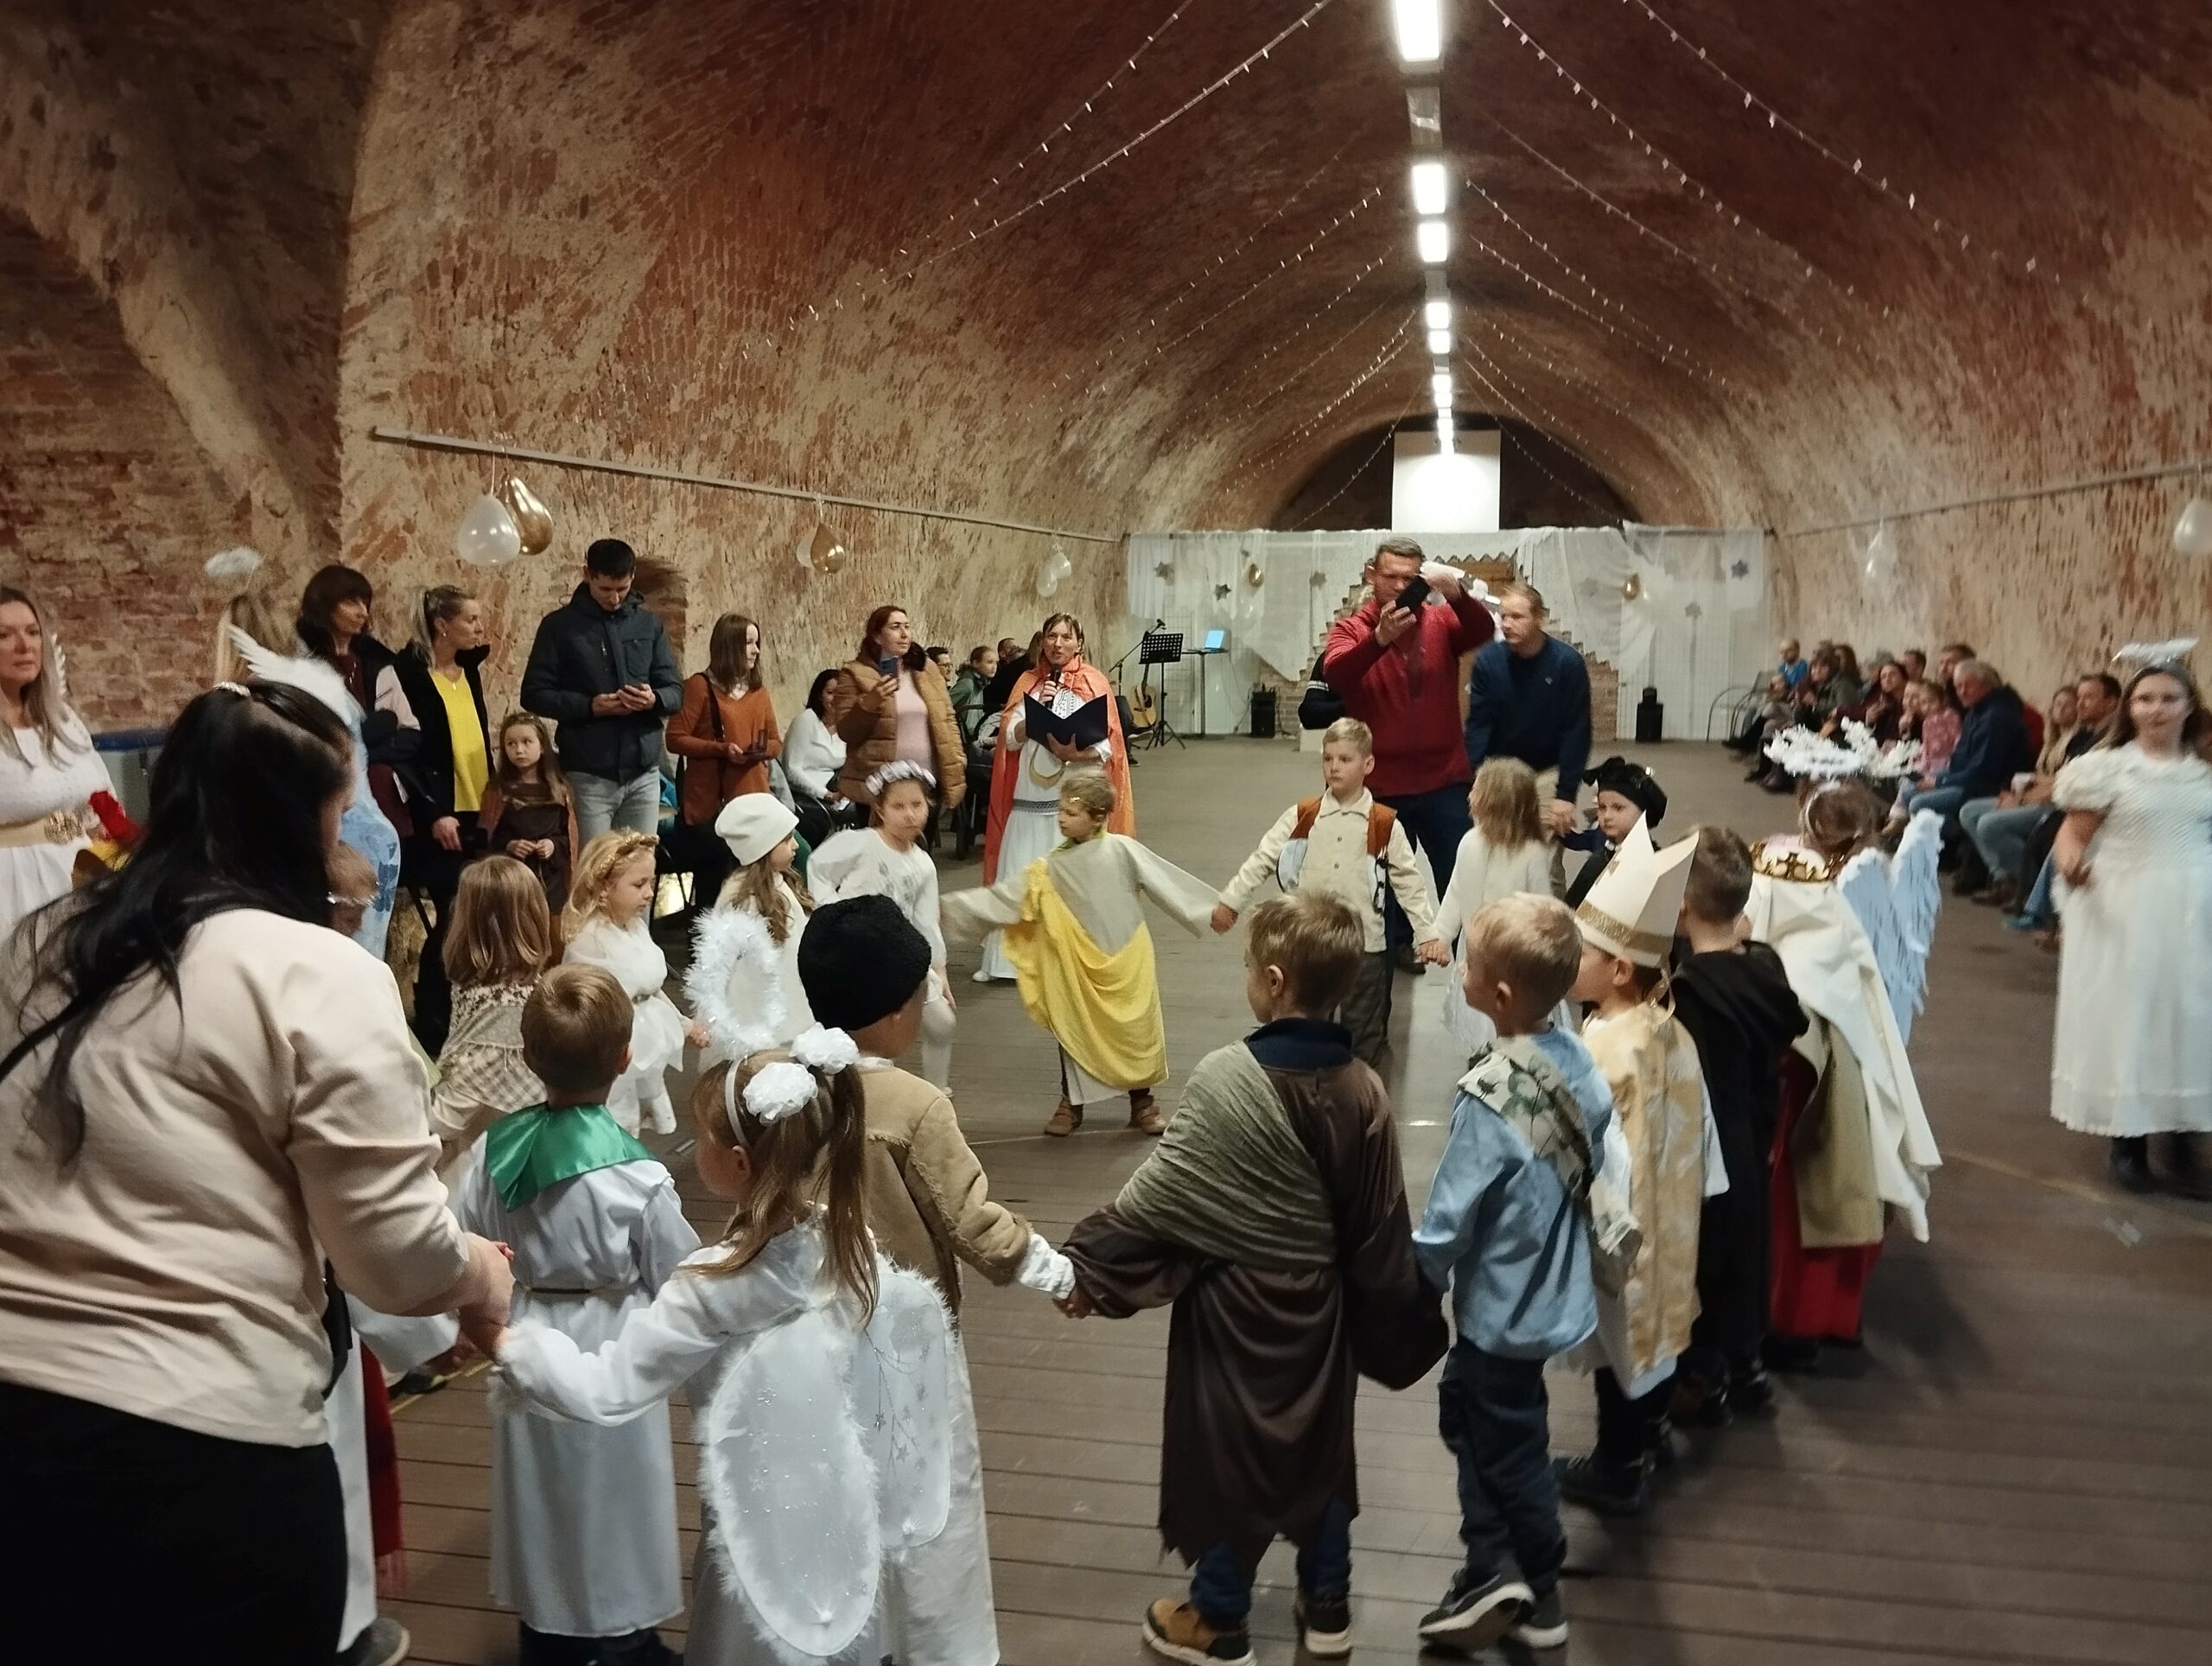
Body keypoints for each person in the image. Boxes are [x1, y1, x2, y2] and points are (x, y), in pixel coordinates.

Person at [0, 680, 513, 1663]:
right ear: (307, 818)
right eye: (342, 810)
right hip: (199, 1448)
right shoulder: (316, 971)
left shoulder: (44, 940)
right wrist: (481, 1273)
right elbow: (394, 1259)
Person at [490, 1044, 1000, 1666]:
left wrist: (510, 1341)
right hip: (845, 1529)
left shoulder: (711, 1287)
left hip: (755, 1533)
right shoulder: (854, 1249)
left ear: (735, 1162)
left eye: (702, 1135)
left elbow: (607, 1390)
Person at [1062, 893, 1447, 1666]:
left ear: (1274, 981)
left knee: (1228, 1454)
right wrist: (1397, 1317)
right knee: (1323, 1447)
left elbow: (1161, 1203)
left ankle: (1219, 1616)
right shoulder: (1364, 1089)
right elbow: (1379, 1233)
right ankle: (1327, 1604)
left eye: (1247, 967)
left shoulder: (1225, 1079)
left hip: (1232, 1309)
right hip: (1323, 1311)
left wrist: (1088, 1267)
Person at [456, 965, 696, 1666]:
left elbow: (458, 1242)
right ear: (624, 1059)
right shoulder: (638, 1177)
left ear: (530, 1056)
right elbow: (682, 1277)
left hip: (525, 1332)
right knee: (617, 1493)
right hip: (615, 1339)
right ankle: (622, 1640)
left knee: (544, 1493)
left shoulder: (492, 1152)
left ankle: (549, 1631)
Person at [1413, 895, 1615, 1656]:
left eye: (1469, 962)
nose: (1460, 969)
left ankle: (1521, 1578)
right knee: (1485, 1423)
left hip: (1498, 1307)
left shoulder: (1490, 1096)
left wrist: (1417, 1276)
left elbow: (1450, 1216)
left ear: (1498, 996)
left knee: (1505, 1442)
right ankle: (1499, 1566)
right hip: (1553, 1289)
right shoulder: (1579, 1061)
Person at [794, 896, 1072, 1314]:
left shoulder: (784, 1086)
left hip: (805, 1297)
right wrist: (1062, 1276)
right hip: (896, 1308)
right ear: (898, 1011)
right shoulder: (916, 1105)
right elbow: (968, 1218)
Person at [1748, 779, 1941, 1370]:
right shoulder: (1843, 912)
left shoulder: (1790, 919)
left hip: (1807, 1093)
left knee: (1800, 1210)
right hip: (1856, 1076)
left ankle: (1794, 1329)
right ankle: (1839, 1320)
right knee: (1850, 1195)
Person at [1555, 819, 1716, 1517]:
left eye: (1581, 952)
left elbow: (1584, 1145)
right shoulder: (1669, 1028)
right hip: (1672, 1218)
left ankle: (1619, 1467)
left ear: (1620, 968)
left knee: (1616, 1342)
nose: (1567, 962)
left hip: (1621, 1222)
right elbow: (1703, 1135)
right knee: (1656, 1331)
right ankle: (1651, 1434)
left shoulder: (1604, 1049)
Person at [944, 771, 1215, 1136]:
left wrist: (1210, 911)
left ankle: (1142, 1101)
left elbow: (1164, 882)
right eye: (1060, 810)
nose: (1060, 819)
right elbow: (1005, 899)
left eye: (1071, 813)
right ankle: (1071, 1103)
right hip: (1076, 966)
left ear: (1099, 817)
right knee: (1071, 1026)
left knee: (1136, 1031)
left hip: (1127, 959)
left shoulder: (1122, 850)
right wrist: (952, 910)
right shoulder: (1050, 868)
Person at [2048, 654, 2212, 1196]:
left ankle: (2184, 1141)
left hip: (2195, 904)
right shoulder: (2109, 769)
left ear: (2189, 706)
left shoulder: (2203, 769)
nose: (2156, 709)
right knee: (2134, 1016)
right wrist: (2071, 861)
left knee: (2190, 1018)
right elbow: (2073, 833)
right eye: (2145, 699)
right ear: (2129, 708)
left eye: (2168, 698)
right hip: (2128, 904)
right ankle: (2129, 1140)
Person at [1669, 829, 1807, 1426]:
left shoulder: (1691, 993)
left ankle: (1703, 1379)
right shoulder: (1767, 967)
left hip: (1707, 1145)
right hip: (1755, 1132)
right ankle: (1747, 1363)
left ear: (1681, 907)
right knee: (1749, 1248)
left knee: (1706, 1259)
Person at [1211, 716, 1442, 1067]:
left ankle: (1361, 1090)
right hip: (1307, 944)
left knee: (1363, 1034)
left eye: (1345, 759)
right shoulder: (1303, 815)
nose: (1334, 767)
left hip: (1365, 948)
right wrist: (1231, 901)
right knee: (1305, 1024)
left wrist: (1427, 934)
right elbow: (1263, 858)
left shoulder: (1383, 823)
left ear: (1368, 764)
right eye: (1328, 758)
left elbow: (1409, 882)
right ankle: (1307, 1086)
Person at [1322, 538, 1498, 969]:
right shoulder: (1352, 628)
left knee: (1463, 880)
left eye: (1410, 578)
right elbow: (1337, 675)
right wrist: (1379, 639)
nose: (1401, 586)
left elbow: (1481, 632)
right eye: (1391, 577)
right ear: (1371, 575)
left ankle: (1470, 972)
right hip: (1382, 787)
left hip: (1444, 782)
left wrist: (1457, 594)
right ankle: (1392, 955)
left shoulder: (1439, 621)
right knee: (1381, 891)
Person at [226, 609, 405, 958]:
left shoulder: (280, 708)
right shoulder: (307, 689)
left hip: (343, 846)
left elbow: (340, 786)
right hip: (355, 839)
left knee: (346, 965)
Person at [978, 611, 1132, 982]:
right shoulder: (1029, 682)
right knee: (1021, 868)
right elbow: (1009, 736)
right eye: (1051, 636)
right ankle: (1007, 962)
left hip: (1073, 786)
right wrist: (1034, 717)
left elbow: (1109, 744)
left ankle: (1069, 958)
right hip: (1030, 792)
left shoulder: (1094, 682)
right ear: (1042, 641)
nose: (1058, 644)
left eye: (1065, 637)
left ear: (1079, 643)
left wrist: (1074, 752)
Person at [522, 538, 683, 843]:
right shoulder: (559, 627)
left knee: (640, 860)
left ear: (632, 576)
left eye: (622, 588)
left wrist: (654, 699)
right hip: (589, 773)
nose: (614, 598)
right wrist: (590, 706)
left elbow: (675, 690)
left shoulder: (649, 625)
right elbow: (534, 693)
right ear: (588, 575)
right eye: (606, 589)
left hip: (644, 772)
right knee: (594, 864)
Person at [807, 763, 956, 1087]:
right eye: (898, 806)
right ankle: (862, 1090)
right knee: (869, 1033)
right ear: (880, 809)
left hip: (900, 953)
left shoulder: (923, 863)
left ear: (928, 806)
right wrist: (832, 912)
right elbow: (818, 866)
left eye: (916, 805)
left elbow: (926, 920)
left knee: (942, 1022)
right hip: (857, 953)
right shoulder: (861, 843)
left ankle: (938, 1090)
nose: (909, 814)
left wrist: (939, 968)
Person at [391, 585, 493, 1052]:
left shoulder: (469, 670)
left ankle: (463, 1013)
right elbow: (408, 754)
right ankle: (432, 1018)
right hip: (439, 815)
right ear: (442, 625)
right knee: (451, 915)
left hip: (477, 805)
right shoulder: (409, 675)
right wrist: (433, 812)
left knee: (471, 914)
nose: (479, 627)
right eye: (471, 619)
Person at [562, 831, 707, 1135]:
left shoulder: (635, 927)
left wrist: (684, 1024)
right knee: (613, 1118)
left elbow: (650, 990)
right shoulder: (590, 941)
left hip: (641, 1040)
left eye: (650, 883)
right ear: (604, 887)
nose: (650, 893)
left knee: (633, 1121)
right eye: (639, 885)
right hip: (611, 1049)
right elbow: (583, 1006)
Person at [429, 856, 556, 1198]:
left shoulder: (505, 1012)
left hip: (486, 1166)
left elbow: (455, 1108)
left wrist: (414, 1126)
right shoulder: (487, 987)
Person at [0, 588, 112, 948]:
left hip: (78, 877)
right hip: (14, 891)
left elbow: (102, 797)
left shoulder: (62, 719)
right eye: (4, 635)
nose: (25, 646)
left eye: (33, 632)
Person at [1430, 759, 1557, 1058]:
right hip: (1476, 951)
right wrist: (1440, 935)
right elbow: (1456, 891)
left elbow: (1544, 907)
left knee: (1511, 1021)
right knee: (1480, 1017)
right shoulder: (1469, 843)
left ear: (1497, 802)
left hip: (1514, 957)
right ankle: (1483, 1058)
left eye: (1477, 791)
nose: (1469, 796)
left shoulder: (1531, 853)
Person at [1462, 579, 1591, 858]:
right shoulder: (1488, 662)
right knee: (1497, 855)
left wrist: (1566, 795)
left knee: (1542, 861)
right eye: (1504, 616)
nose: (1507, 624)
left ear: (1539, 618)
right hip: (1502, 774)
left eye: (1517, 617)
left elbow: (1576, 732)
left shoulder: (1567, 664)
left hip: (1547, 772)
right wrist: (1476, 779)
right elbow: (1479, 726)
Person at [665, 612, 781, 907]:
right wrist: (721, 749)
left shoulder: (758, 692)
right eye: (748, 643)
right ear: (729, 646)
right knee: (715, 888)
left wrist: (761, 751)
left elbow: (775, 741)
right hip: (713, 802)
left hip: (753, 796)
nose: (756, 651)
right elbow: (675, 738)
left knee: (751, 887)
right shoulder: (700, 687)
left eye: (757, 643)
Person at [833, 602, 965, 813]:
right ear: (877, 636)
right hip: (880, 787)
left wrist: (958, 760)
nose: (904, 634)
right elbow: (846, 732)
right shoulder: (854, 673)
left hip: (926, 780)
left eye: (907, 626)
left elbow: (947, 719)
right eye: (895, 627)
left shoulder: (926, 669)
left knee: (924, 835)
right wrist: (869, 704)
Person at [1957, 681, 2081, 905]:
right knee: (1969, 812)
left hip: (2052, 806)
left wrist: (2021, 800)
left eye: (2068, 705)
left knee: (1989, 824)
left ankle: (2027, 881)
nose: (2061, 709)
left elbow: (2060, 784)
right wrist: (2015, 795)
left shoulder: (2076, 741)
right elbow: (2037, 777)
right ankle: (2003, 877)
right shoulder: (2052, 739)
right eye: (2057, 704)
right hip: (2032, 798)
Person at [1890, 658, 2032, 842]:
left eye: (1968, 686)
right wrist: (1940, 777)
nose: (1962, 692)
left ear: (1986, 685)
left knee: (1919, 803)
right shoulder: (1976, 710)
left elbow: (1983, 772)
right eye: (1958, 687)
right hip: (1967, 777)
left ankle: (1946, 848)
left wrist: (1940, 782)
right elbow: (1960, 756)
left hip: (1989, 787)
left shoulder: (1996, 716)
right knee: (1910, 789)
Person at [480, 712, 581, 914]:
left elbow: (568, 837)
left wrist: (552, 845)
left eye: (527, 742)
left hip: (550, 880)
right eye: (511, 744)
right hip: (512, 879)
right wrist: (510, 845)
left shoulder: (559, 791)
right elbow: (487, 837)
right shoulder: (498, 791)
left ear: (542, 746)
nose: (519, 750)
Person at [1562, 755, 1667, 908]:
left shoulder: (1654, 861)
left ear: (1644, 813)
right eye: (1602, 807)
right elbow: (1571, 908)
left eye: (1618, 808)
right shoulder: (1598, 862)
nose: (1607, 816)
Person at [782, 667, 855, 844]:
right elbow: (792, 769)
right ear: (819, 695)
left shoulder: (846, 725)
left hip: (835, 794)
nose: (835, 699)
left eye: (840, 694)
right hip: (806, 796)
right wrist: (826, 794)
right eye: (830, 693)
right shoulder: (807, 720)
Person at [950, 642, 999, 740]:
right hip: (964, 738)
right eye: (989, 662)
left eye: (996, 663)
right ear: (976, 663)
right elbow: (944, 706)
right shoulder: (968, 684)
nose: (994, 667)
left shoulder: (980, 683)